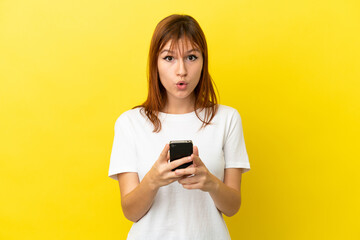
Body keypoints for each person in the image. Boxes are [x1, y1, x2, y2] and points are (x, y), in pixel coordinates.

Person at [108, 14, 250, 240]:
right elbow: (130, 212)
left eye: (191, 57)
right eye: (169, 58)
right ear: (155, 62)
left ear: (204, 61)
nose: (181, 70)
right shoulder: (130, 123)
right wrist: (153, 180)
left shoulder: (227, 119)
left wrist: (210, 182)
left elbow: (232, 207)